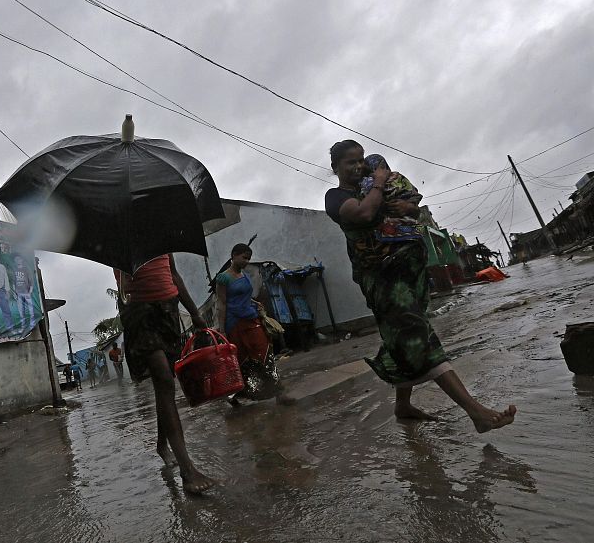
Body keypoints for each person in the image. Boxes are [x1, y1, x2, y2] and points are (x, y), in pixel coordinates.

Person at [324, 139, 516, 433]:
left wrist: (407, 206)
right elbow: (364, 214)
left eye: (361, 159)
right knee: (418, 335)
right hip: (383, 278)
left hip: (409, 271)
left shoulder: (379, 186)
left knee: (402, 336)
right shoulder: (336, 197)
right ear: (335, 166)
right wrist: (379, 182)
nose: (359, 166)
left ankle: (402, 406)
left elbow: (410, 212)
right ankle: (476, 412)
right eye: (351, 162)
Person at [115, 254, 215, 494]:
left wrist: (194, 312)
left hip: (168, 310)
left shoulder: (160, 239)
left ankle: (162, 444)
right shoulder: (119, 244)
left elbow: (174, 274)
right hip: (140, 313)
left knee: (166, 384)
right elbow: (122, 287)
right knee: (163, 379)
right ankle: (187, 470)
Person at [214, 244, 281, 406]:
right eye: (244, 257)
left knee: (264, 352)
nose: (247, 261)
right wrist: (222, 331)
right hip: (234, 324)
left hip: (251, 319)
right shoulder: (223, 278)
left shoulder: (243, 275)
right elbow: (221, 303)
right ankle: (236, 394)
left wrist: (255, 303)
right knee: (242, 359)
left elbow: (243, 296)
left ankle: (278, 391)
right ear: (234, 255)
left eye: (249, 258)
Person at [358, 154, 423, 242]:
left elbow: (416, 210)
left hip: (412, 234)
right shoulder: (365, 185)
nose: (382, 170)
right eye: (377, 168)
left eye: (383, 167)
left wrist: (407, 206)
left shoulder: (398, 178)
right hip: (384, 240)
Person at [12, 254, 35, 334]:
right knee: (21, 312)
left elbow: (31, 282)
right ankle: (23, 327)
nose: (18, 260)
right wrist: (14, 293)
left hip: (26, 293)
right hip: (18, 294)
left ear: (22, 259)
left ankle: (32, 326)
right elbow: (13, 283)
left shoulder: (26, 269)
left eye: (19, 259)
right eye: (16, 259)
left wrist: (29, 292)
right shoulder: (14, 270)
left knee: (31, 311)